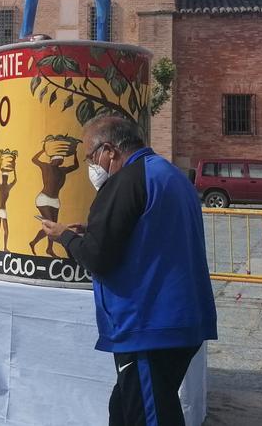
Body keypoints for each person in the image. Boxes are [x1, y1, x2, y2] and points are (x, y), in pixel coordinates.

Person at [40, 115, 217, 426]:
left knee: (150, 415)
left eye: (90, 157)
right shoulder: (169, 174)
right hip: (181, 317)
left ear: (109, 150)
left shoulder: (125, 181)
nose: (90, 167)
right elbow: (149, 235)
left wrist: (63, 236)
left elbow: (98, 258)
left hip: (148, 324)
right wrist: (95, 231)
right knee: (125, 409)